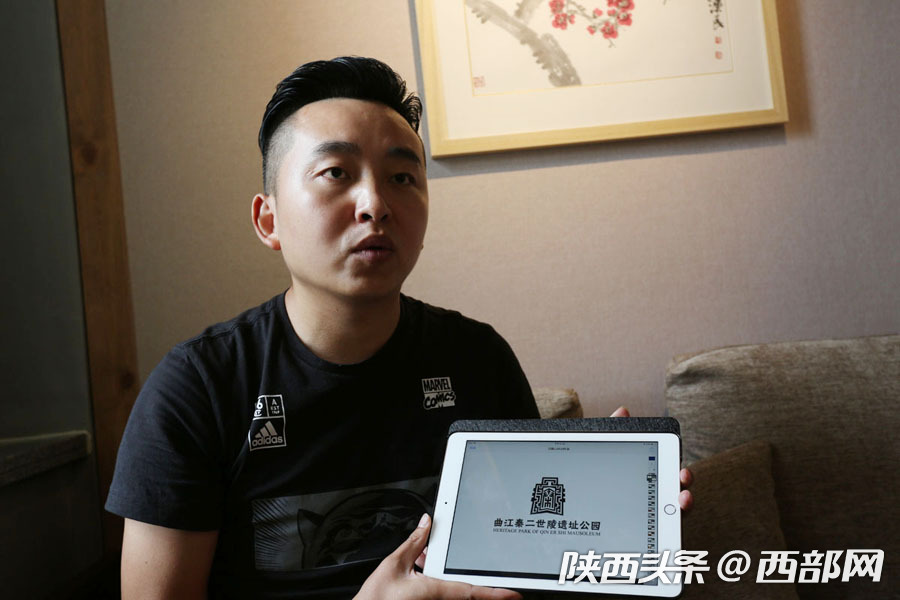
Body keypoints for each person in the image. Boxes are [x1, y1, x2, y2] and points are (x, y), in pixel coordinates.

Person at [106, 56, 692, 600]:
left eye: (402, 178)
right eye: (336, 172)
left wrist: (603, 524)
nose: (375, 204)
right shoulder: (199, 387)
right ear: (269, 220)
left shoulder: (477, 357)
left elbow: (525, 560)